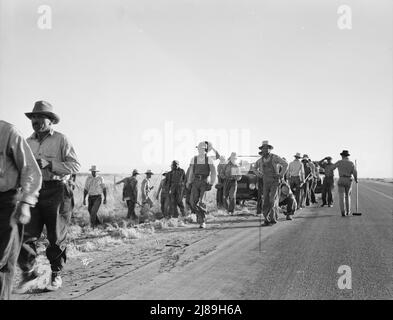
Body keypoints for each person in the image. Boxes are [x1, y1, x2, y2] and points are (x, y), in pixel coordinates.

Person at [18, 101, 80, 292]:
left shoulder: (61, 139)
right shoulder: (27, 143)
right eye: (33, 118)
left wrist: (50, 164)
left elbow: (75, 166)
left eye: (39, 117)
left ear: (51, 120)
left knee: (55, 236)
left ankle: (55, 274)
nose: (35, 121)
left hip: (57, 190)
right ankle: (29, 273)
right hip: (33, 192)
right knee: (25, 234)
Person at [0, 120, 42, 300]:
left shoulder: (8, 131)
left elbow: (31, 170)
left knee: (2, 259)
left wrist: (26, 202)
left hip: (6, 201)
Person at [256, 141, 288, 226]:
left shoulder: (275, 158)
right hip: (265, 181)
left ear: (269, 149)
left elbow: (285, 164)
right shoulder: (260, 160)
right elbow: (254, 168)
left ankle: (273, 219)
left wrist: (281, 174)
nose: (265, 150)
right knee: (265, 200)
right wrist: (259, 174)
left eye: (267, 148)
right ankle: (266, 219)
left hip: (274, 181)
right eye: (263, 148)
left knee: (272, 200)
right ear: (261, 150)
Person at [186, 141, 217, 228]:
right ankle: (200, 216)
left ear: (205, 150)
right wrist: (189, 181)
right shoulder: (194, 159)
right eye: (199, 149)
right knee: (192, 202)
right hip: (195, 182)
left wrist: (211, 183)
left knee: (201, 202)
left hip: (204, 182)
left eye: (202, 149)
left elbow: (213, 172)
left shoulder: (209, 159)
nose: (200, 150)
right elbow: (191, 171)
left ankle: (202, 221)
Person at [332, 150, 358, 216]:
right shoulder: (351, 163)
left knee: (341, 197)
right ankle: (348, 211)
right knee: (347, 196)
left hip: (341, 179)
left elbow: (332, 168)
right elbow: (355, 172)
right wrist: (356, 179)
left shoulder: (339, 162)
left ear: (342, 156)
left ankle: (343, 211)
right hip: (348, 179)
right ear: (347, 156)